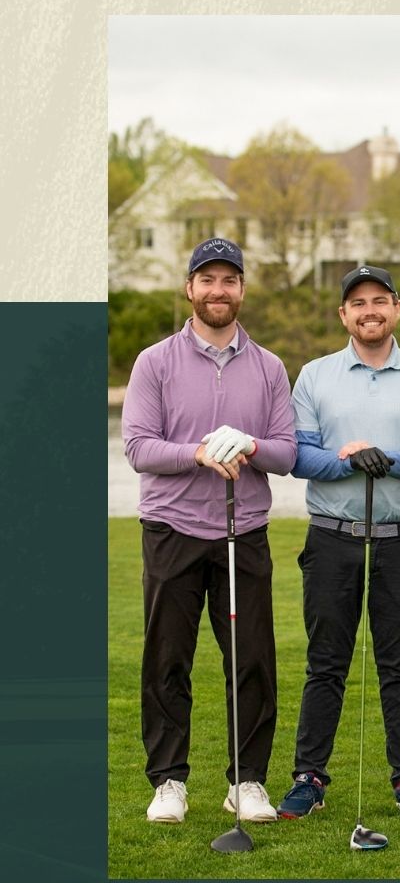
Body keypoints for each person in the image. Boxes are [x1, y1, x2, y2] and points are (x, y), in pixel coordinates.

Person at [122, 237, 296, 827]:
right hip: (172, 529)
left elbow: (287, 452)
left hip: (242, 531)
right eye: (207, 280)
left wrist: (249, 445)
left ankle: (247, 781)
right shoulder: (155, 362)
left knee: (251, 660)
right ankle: (169, 779)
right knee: (168, 658)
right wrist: (198, 452)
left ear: (242, 289)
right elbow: (140, 447)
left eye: (229, 280)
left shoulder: (269, 367)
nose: (218, 291)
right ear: (190, 288)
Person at [275, 265, 400, 823]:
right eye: (358, 303)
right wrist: (347, 458)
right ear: (343, 315)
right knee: (325, 663)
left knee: (399, 667)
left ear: (397, 308)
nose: (369, 310)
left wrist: (389, 457)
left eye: (380, 300)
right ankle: (309, 777)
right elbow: (298, 456)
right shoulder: (314, 375)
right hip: (332, 539)